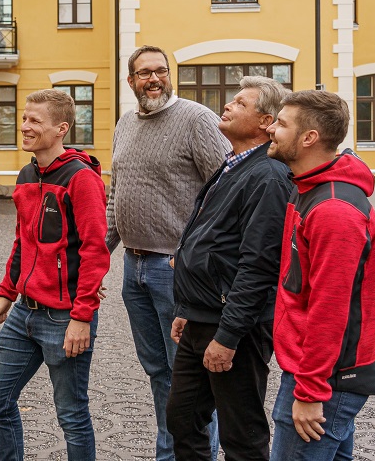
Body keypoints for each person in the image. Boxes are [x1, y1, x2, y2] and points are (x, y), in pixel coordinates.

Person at [107, 45, 230, 461]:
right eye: (144, 73)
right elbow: (116, 196)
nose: (153, 78)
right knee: (159, 373)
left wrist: (198, 258)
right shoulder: (124, 124)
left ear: (169, 75)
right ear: (131, 81)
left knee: (191, 380)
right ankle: (171, 454)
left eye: (160, 71)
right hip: (134, 266)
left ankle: (196, 456)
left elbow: (226, 192)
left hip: (177, 271)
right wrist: (99, 253)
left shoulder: (197, 120)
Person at [166, 76, 291, 461]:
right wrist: (188, 308)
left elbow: (258, 266)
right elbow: (208, 238)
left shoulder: (268, 177)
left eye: (240, 102)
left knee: (242, 434)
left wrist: (228, 336)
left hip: (234, 326)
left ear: (266, 122)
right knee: (182, 418)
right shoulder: (233, 165)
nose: (228, 105)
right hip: (202, 316)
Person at [0, 88, 110, 461]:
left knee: (71, 415)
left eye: (34, 121)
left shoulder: (82, 179)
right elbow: (23, 240)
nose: (24, 126)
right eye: (24, 118)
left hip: (64, 317)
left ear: (61, 129)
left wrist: (82, 316)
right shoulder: (27, 174)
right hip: (25, 311)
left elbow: (94, 250)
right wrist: (7, 293)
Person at [265, 90, 375, 461]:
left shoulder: (333, 209)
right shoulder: (308, 189)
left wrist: (311, 392)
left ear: (309, 138)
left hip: (326, 378)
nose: (270, 129)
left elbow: (330, 309)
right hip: (316, 371)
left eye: (281, 124)